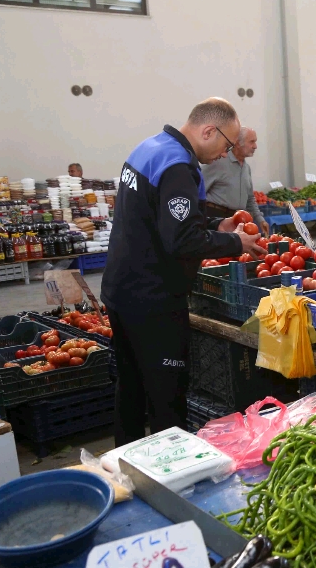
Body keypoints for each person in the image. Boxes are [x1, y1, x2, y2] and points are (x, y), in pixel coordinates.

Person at [101, 98, 265, 445]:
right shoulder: (178, 165)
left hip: (121, 288)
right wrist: (235, 244)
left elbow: (165, 217)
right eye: (226, 143)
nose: (225, 153)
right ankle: (169, 476)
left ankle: (125, 464)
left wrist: (217, 223)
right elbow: (182, 241)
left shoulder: (150, 148)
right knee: (165, 396)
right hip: (152, 298)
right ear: (208, 130)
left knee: (130, 387)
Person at [201, 126, 269, 235]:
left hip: (238, 221)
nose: (255, 146)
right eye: (252, 142)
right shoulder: (217, 162)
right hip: (215, 219)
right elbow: (197, 192)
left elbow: (250, 199)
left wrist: (260, 219)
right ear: (237, 143)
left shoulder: (246, 168)